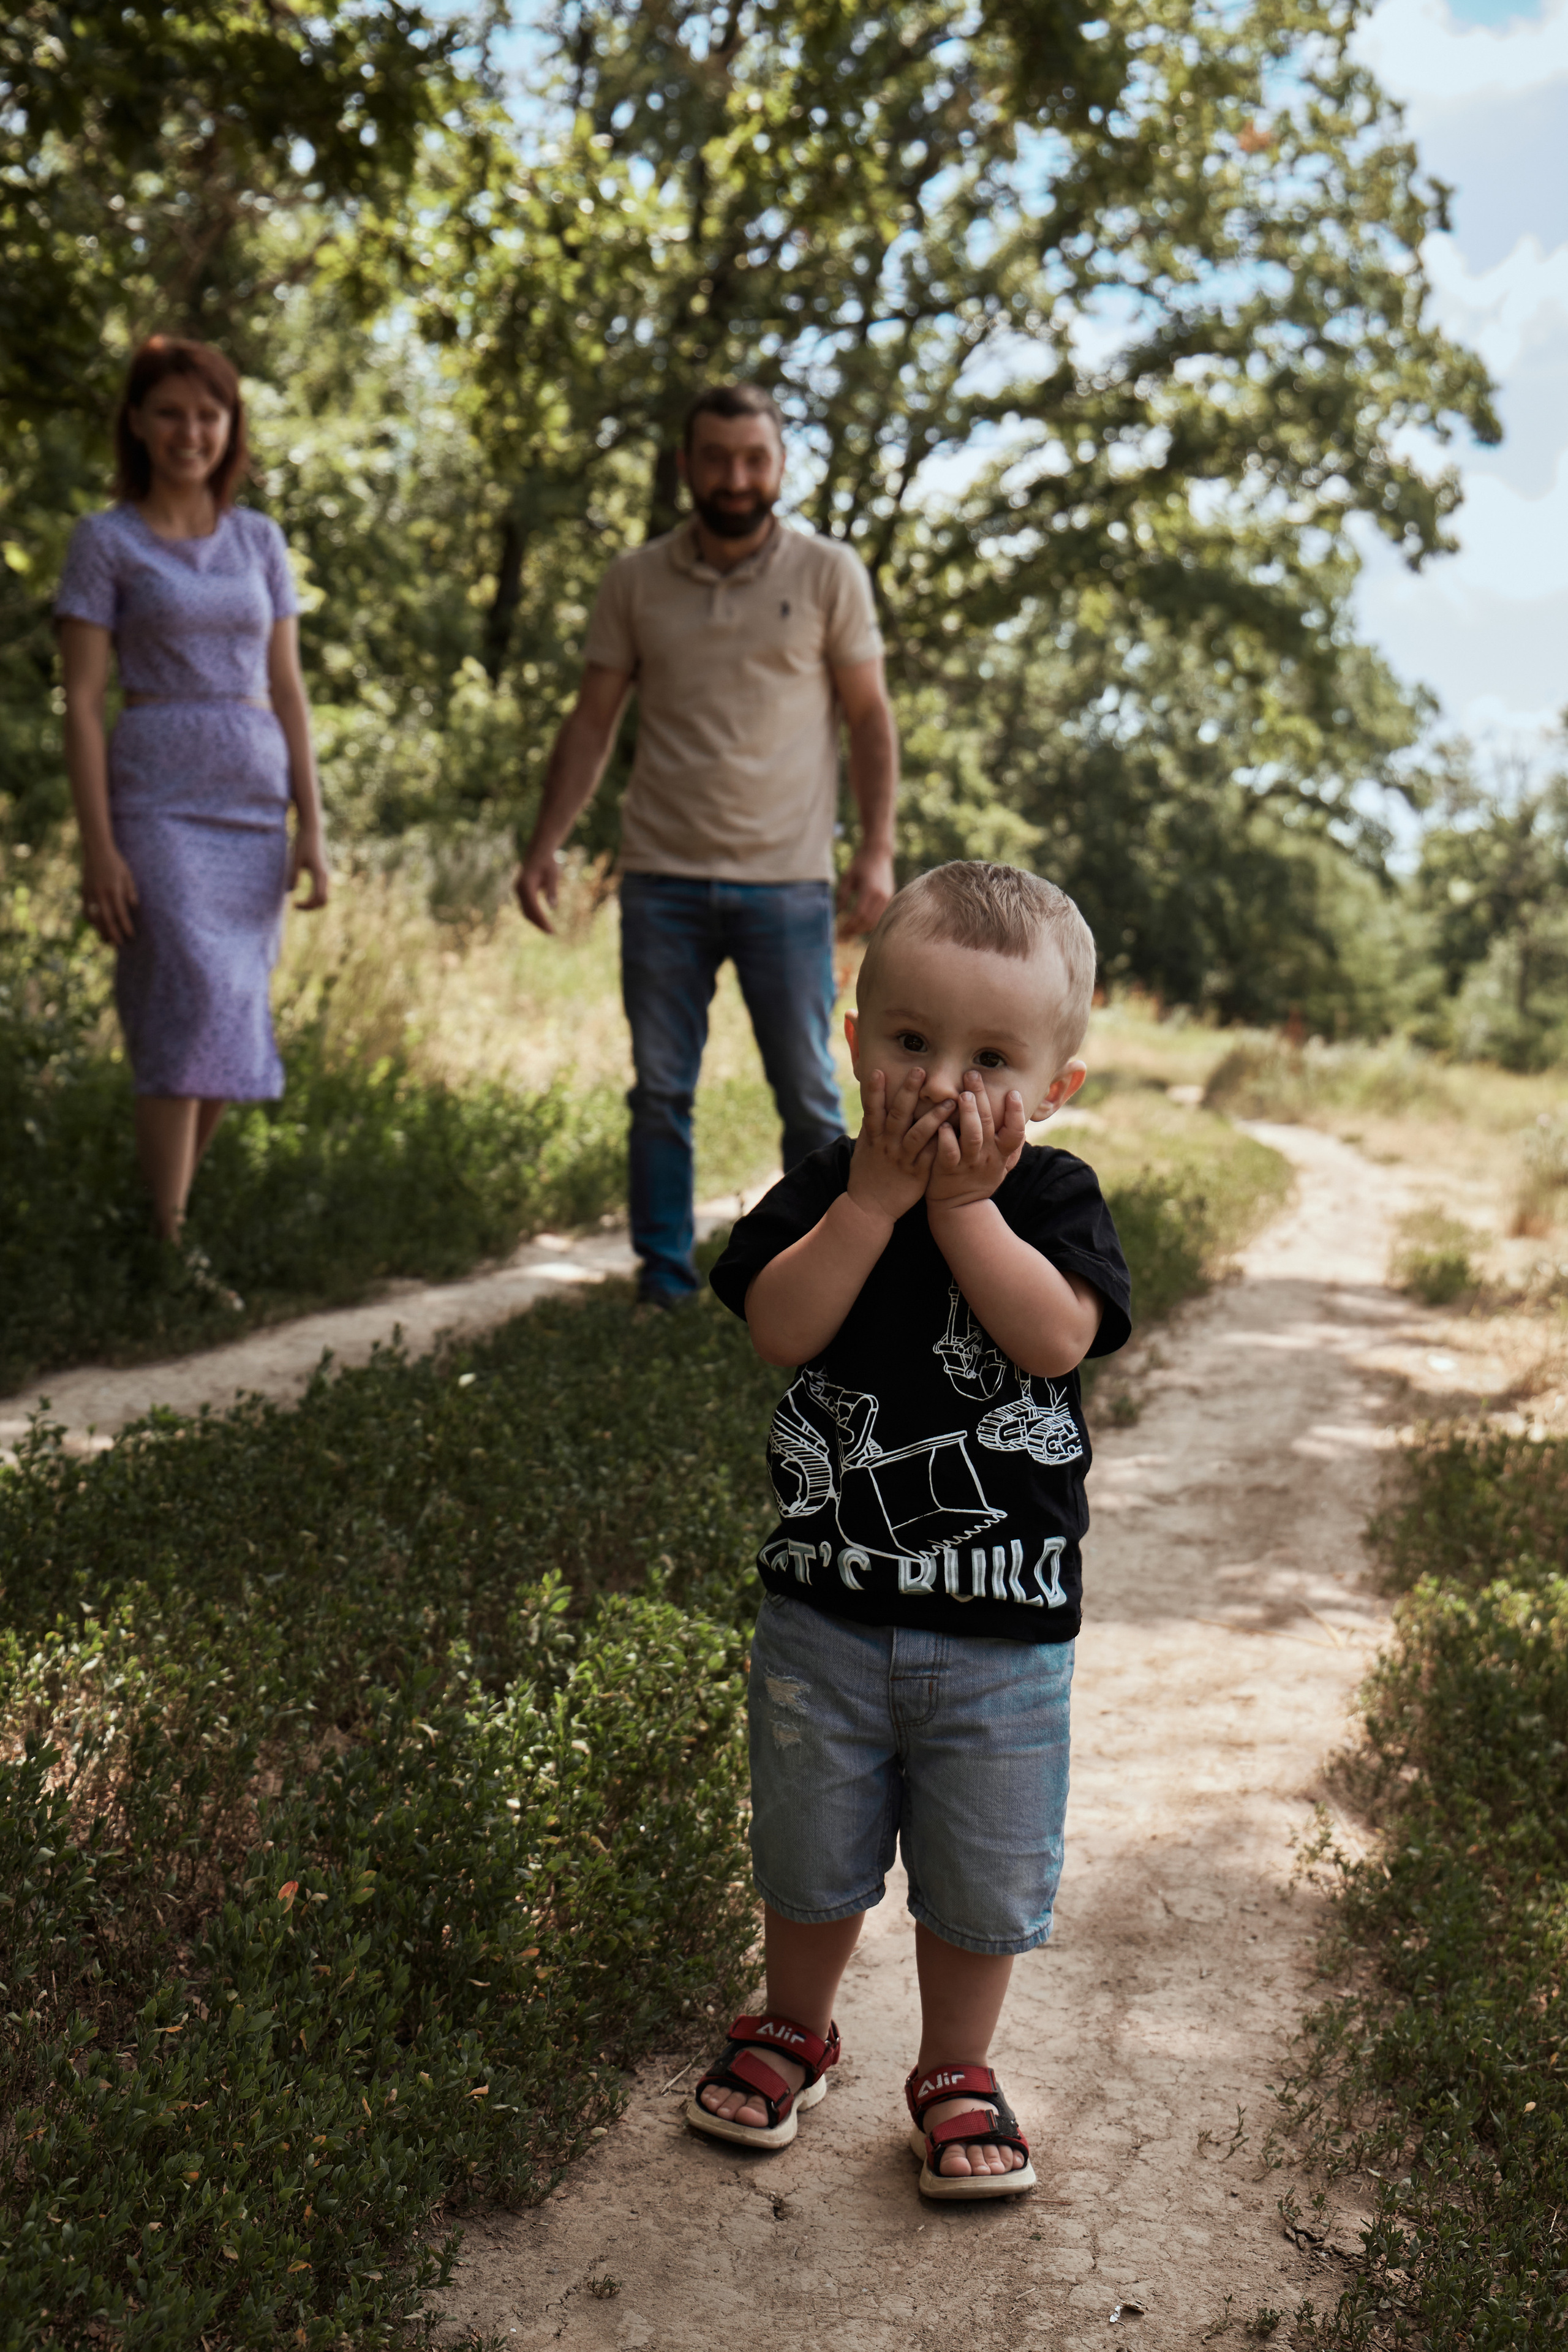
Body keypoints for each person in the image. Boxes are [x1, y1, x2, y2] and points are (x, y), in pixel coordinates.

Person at [695, 861, 1132, 2198]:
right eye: (910, 1042)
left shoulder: (1052, 1201)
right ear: (853, 1043)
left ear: (1053, 1087)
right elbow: (781, 1328)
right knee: (808, 1850)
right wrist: (876, 1205)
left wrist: (960, 1208)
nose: (943, 1085)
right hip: (825, 1616)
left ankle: (955, 2067)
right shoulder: (828, 1188)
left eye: (990, 1059)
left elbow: (1053, 1339)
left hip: (1003, 1640)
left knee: (981, 1871)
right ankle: (795, 2023)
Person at [513, 381, 898, 1308]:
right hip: (662, 879)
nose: (736, 477)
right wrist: (545, 844)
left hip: (788, 881)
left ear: (780, 466)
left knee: (809, 1093)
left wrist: (876, 849)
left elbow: (869, 717)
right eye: (718, 459)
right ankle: (663, 1282)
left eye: (755, 459)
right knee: (660, 1093)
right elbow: (592, 720)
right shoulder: (634, 580)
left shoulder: (828, 573)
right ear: (687, 466)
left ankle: (826, 1290)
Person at [55, 336, 329, 1262]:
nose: (190, 432)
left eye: (208, 414)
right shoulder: (105, 542)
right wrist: (98, 846)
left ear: (231, 426)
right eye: (170, 412)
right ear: (137, 422)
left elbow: (288, 689)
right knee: (186, 997)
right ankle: (168, 1250)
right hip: (155, 802)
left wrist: (312, 828)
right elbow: (82, 702)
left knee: (229, 1011)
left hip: (254, 804)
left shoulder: (260, 540)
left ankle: (160, 1234)